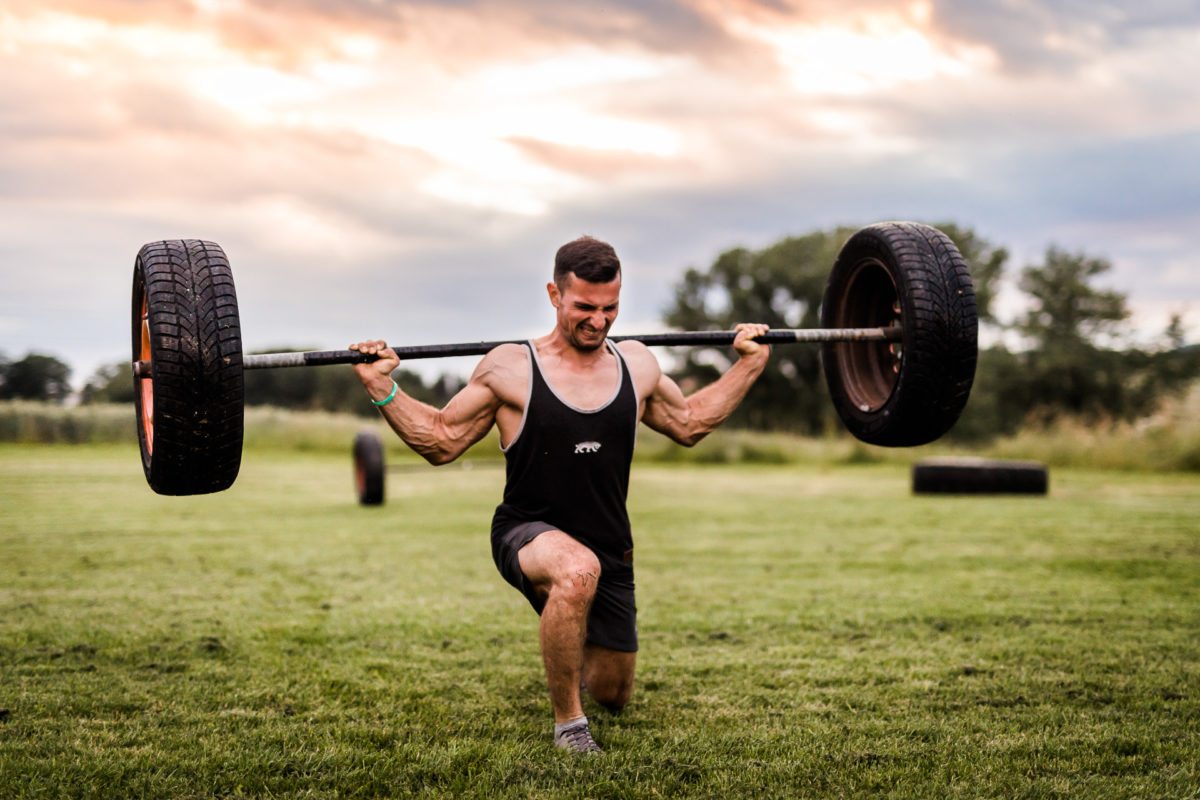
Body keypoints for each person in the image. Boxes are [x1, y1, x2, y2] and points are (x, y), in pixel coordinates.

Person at [350, 236, 769, 754]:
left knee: (613, 692)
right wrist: (381, 387)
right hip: (528, 530)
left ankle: (567, 620)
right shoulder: (510, 368)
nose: (599, 320)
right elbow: (440, 440)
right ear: (554, 294)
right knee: (576, 572)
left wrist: (749, 364)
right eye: (584, 307)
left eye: (610, 307)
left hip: (610, 543)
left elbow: (689, 423)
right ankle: (569, 727)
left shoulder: (637, 365)